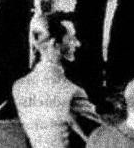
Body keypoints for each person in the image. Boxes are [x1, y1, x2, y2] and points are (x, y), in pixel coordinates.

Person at [12, 13, 102, 147]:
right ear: (54, 43)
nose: (77, 43)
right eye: (71, 39)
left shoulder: (19, 86)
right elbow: (99, 139)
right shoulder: (72, 91)